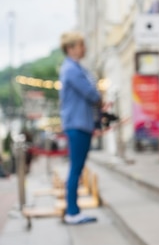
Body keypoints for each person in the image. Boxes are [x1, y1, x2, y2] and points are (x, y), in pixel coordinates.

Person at [59, 31, 104, 225]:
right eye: (80, 45)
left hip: (79, 123)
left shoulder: (74, 68)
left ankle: (73, 210)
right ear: (71, 48)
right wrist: (99, 97)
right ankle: (72, 211)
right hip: (77, 124)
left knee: (76, 169)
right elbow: (92, 94)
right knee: (75, 170)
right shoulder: (72, 69)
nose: (84, 48)